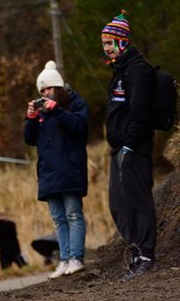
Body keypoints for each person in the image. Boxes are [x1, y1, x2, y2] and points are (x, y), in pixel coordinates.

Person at [101, 10, 157, 280]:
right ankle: (135, 250)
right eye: (104, 44)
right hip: (119, 147)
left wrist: (130, 145)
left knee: (138, 200)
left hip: (133, 147)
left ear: (122, 41)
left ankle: (146, 254)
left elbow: (140, 113)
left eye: (110, 43)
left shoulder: (137, 70)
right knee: (119, 204)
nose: (107, 48)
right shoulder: (119, 70)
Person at [24, 60, 89, 279]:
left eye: (49, 88)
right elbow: (30, 139)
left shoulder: (75, 104)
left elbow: (80, 127)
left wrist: (58, 111)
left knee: (73, 214)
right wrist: (30, 119)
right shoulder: (42, 112)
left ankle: (76, 258)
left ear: (58, 87)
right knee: (58, 219)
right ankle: (63, 259)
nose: (45, 93)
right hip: (49, 173)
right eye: (42, 90)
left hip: (70, 170)